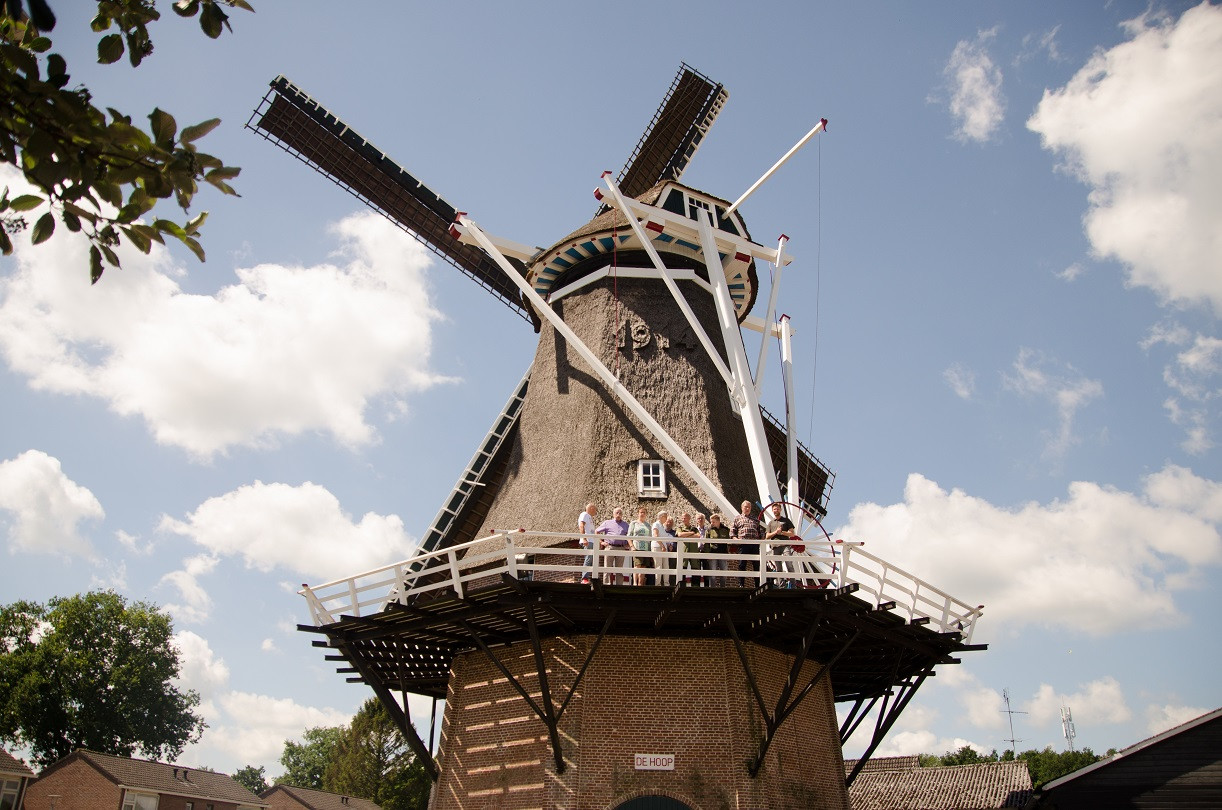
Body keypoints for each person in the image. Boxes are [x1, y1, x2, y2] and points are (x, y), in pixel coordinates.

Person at [730, 499, 763, 587]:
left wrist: (762, 541)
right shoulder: (737, 518)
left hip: (754, 544)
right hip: (743, 544)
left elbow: (761, 533)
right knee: (742, 564)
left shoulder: (755, 519)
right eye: (746, 507)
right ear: (742, 508)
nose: (747, 508)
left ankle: (757, 585)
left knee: (756, 564)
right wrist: (735, 539)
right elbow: (732, 532)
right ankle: (741, 584)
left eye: (749, 507)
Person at [595, 507, 631, 585]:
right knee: (607, 568)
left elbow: (629, 536)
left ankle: (619, 585)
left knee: (619, 569)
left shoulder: (625, 525)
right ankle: (606, 584)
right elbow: (596, 531)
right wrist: (601, 542)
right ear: (613, 514)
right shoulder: (607, 523)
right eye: (617, 513)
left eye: (620, 513)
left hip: (621, 548)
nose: (618, 514)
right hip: (610, 547)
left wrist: (628, 544)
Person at [765, 502, 797, 587]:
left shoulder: (786, 520)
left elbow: (792, 533)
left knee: (789, 564)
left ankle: (794, 585)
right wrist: (776, 532)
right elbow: (767, 536)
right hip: (775, 546)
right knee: (778, 567)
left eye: (778, 509)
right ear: (772, 511)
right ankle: (782, 585)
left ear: (780, 510)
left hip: (785, 545)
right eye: (775, 509)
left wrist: (782, 532)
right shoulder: (771, 523)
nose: (776, 510)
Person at [628, 506, 654, 586]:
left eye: (644, 512)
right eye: (641, 512)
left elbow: (650, 538)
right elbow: (629, 535)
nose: (642, 514)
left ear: (646, 514)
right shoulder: (634, 523)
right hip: (637, 547)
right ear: (638, 514)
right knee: (637, 565)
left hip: (646, 548)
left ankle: (640, 583)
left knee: (643, 567)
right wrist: (632, 546)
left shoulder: (648, 525)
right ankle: (635, 583)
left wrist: (650, 552)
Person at [704, 512, 730, 586]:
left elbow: (729, 542)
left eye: (713, 522)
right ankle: (712, 588)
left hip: (723, 553)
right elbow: (706, 543)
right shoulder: (709, 530)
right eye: (711, 522)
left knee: (724, 572)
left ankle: (722, 587)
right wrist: (707, 555)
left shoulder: (726, 530)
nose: (711, 523)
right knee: (712, 573)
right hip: (713, 553)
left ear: (718, 521)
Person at [677, 512, 701, 585]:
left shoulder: (694, 528)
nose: (683, 519)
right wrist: (691, 533)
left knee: (695, 568)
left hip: (693, 551)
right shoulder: (680, 528)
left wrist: (686, 535)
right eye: (682, 518)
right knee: (683, 568)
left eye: (685, 518)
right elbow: (680, 535)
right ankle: (682, 586)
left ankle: (695, 586)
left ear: (689, 518)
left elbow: (698, 536)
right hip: (684, 551)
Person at [576, 502, 597, 584]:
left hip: (591, 540)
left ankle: (587, 577)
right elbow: (581, 525)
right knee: (588, 558)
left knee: (590, 559)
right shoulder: (584, 514)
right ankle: (584, 578)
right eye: (595, 509)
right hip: (588, 541)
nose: (596, 512)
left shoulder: (589, 518)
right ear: (591, 508)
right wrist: (584, 538)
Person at [651, 510, 670, 586]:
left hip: (664, 547)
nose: (666, 518)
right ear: (662, 517)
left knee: (666, 566)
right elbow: (655, 535)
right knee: (658, 566)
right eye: (666, 516)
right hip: (657, 546)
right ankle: (658, 584)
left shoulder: (662, 526)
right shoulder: (656, 524)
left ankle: (666, 583)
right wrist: (662, 545)